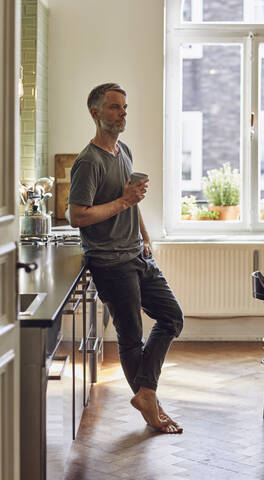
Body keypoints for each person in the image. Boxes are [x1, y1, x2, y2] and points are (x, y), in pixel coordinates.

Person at [68, 83, 184, 434]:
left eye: (124, 107)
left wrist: (145, 235)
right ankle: (149, 405)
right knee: (131, 337)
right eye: (115, 107)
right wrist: (123, 201)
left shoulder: (124, 151)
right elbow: (78, 216)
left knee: (172, 317)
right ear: (95, 113)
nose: (123, 113)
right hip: (110, 263)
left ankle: (146, 392)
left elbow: (131, 201)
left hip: (137, 254)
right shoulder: (88, 162)